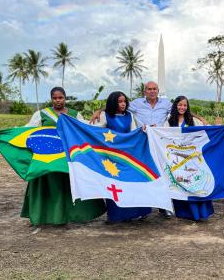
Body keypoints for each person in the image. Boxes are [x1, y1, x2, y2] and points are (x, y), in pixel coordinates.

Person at [90, 81, 208, 218]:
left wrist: (200, 118)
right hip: (141, 143)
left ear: (158, 90)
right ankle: (142, 205)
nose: (152, 91)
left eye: (154, 89)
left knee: (163, 173)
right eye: (149, 89)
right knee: (144, 173)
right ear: (144, 91)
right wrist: (100, 110)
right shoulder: (136, 104)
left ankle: (164, 206)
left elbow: (182, 108)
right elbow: (116, 104)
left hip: (160, 143)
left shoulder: (166, 104)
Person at [21, 87, 106, 229]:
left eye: (60, 98)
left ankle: (73, 215)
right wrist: (7, 133)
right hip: (46, 157)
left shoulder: (74, 114)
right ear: (51, 99)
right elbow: (27, 129)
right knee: (46, 184)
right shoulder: (41, 114)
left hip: (67, 155)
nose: (58, 100)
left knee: (68, 184)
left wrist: (101, 113)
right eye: (55, 98)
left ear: (65, 98)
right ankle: (42, 215)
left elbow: (87, 127)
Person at [94, 91, 152, 223]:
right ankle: (116, 215)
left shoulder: (129, 116)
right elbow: (95, 131)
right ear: (114, 102)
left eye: (124, 101)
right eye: (120, 101)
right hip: (111, 157)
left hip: (128, 156)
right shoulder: (105, 115)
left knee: (131, 183)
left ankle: (137, 212)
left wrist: (142, 130)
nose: (123, 104)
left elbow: (133, 132)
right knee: (114, 185)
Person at [164, 96, 214, 221]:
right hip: (176, 159)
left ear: (188, 107)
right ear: (175, 106)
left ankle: (200, 213)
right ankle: (185, 212)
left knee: (194, 183)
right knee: (180, 183)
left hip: (191, 159)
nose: (182, 107)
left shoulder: (192, 121)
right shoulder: (169, 121)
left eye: (185, 105)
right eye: (180, 105)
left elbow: (205, 129)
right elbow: (162, 134)